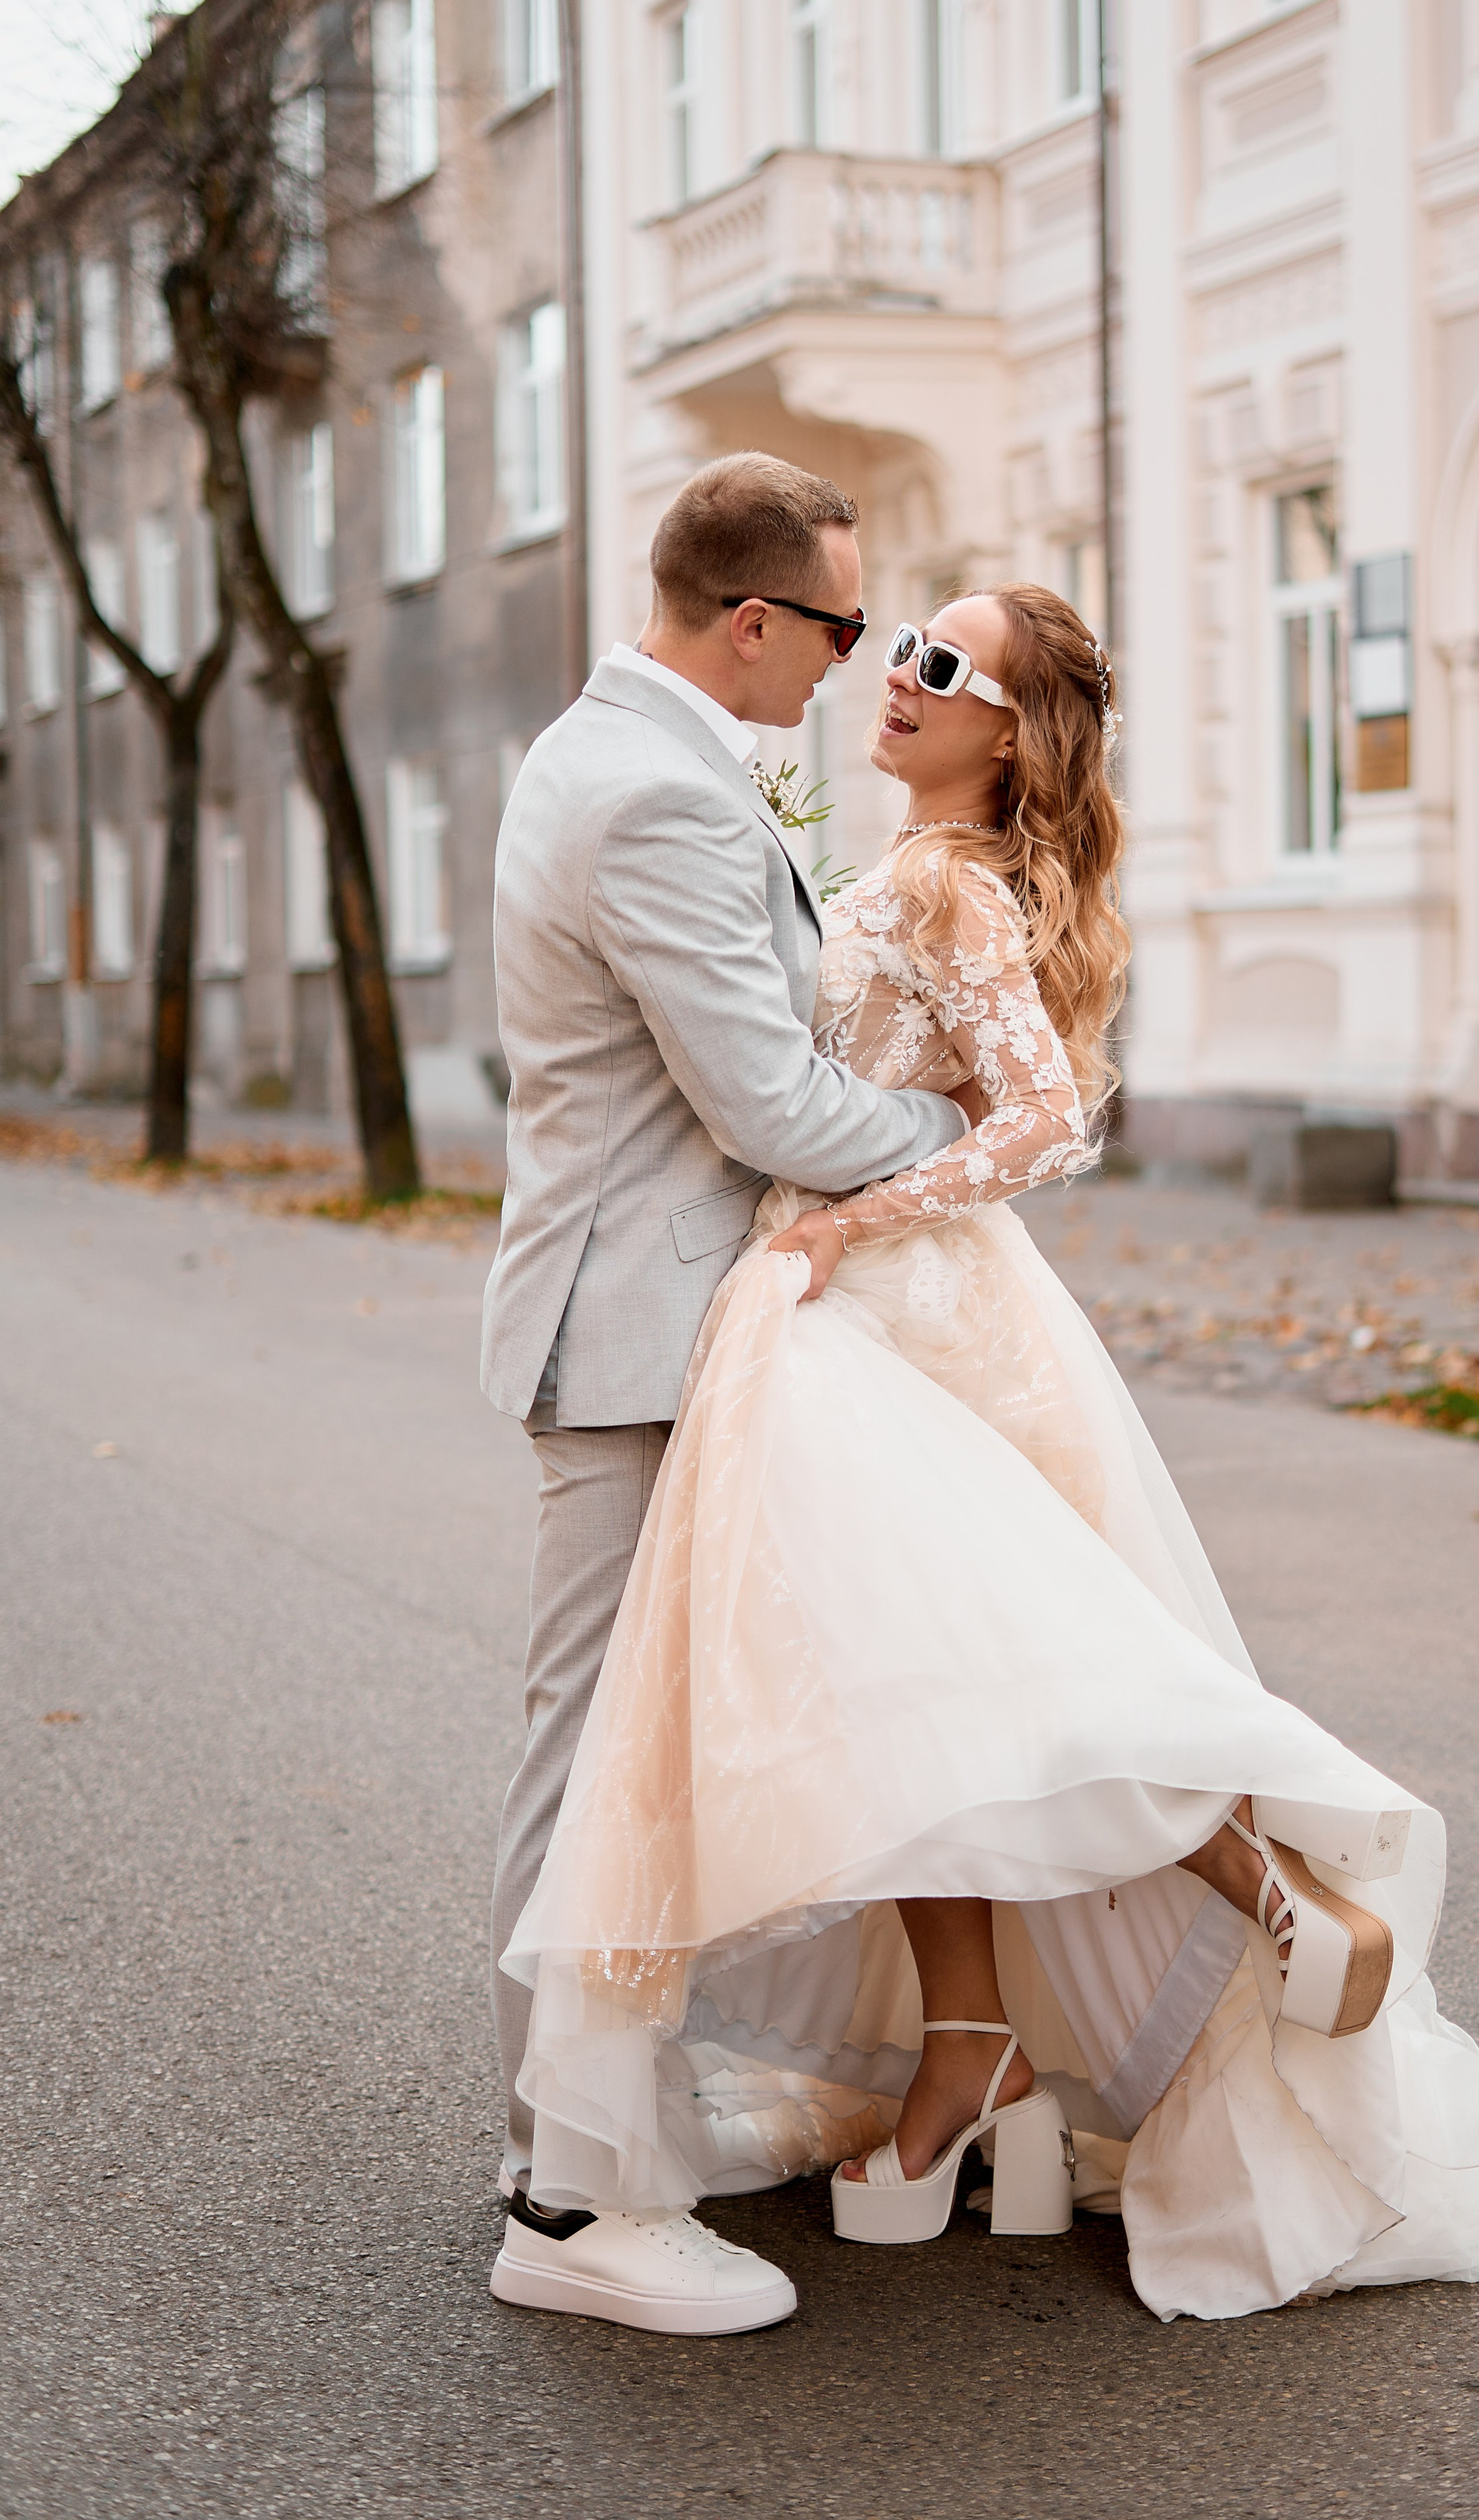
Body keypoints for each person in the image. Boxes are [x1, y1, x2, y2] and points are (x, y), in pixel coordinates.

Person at [501, 581, 1479, 2329]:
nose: (902, 677)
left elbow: (1050, 1118)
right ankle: (973, 2052)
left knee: (990, 1668)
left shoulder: (941, 883)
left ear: (1011, 732)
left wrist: (841, 1225)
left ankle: (1256, 1884)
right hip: (859, 1307)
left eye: (944, 668)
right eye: (904, 645)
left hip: (890, 1311)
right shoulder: (911, 866)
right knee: (915, 1699)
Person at [481, 453, 979, 2335]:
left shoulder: (617, 754)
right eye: (843, 629)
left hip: (651, 1316)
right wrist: (964, 1129)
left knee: (646, 1747)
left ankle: (600, 2122)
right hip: (636, 1331)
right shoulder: (657, 796)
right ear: (754, 619)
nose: (858, 665)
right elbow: (765, 1103)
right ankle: (570, 2198)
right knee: (603, 1764)